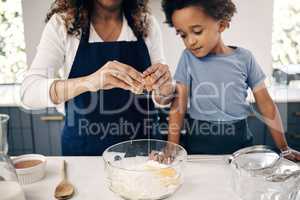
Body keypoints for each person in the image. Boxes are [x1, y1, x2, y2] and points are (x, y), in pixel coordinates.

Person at [21, 0, 175, 156]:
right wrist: (90, 82)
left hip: (144, 152)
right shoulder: (62, 24)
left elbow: (161, 99)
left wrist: (164, 89)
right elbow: (28, 92)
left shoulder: (147, 23)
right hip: (84, 153)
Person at [162, 0, 300, 160]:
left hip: (239, 144)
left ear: (222, 25)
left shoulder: (245, 58)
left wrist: (284, 148)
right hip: (199, 144)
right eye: (183, 35)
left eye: (197, 31)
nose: (190, 41)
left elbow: (267, 105)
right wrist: (171, 148)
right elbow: (178, 105)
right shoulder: (187, 58)